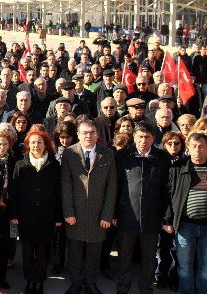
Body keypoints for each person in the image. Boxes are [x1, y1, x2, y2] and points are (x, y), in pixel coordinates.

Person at [114, 122, 170, 294]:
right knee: (124, 257)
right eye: (140, 137)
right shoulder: (122, 156)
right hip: (126, 216)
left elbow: (167, 189)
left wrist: (165, 217)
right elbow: (115, 186)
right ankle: (123, 287)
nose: (144, 140)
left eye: (147, 137)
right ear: (134, 137)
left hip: (152, 217)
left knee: (148, 258)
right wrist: (114, 213)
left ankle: (146, 288)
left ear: (153, 138)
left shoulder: (162, 158)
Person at [61, 120, 117, 294]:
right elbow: (66, 184)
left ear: (97, 134)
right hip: (75, 212)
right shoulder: (69, 153)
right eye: (84, 132)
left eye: (92, 132)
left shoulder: (107, 153)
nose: (89, 136)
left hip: (98, 212)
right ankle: (76, 282)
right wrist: (68, 211)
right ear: (78, 134)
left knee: (94, 251)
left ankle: (91, 282)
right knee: (75, 251)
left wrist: (107, 214)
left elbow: (112, 186)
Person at [165, 132, 207, 294]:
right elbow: (169, 196)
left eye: (201, 146)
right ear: (188, 148)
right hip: (185, 226)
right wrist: (168, 221)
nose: (197, 150)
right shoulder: (177, 168)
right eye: (194, 146)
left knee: (206, 268)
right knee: (184, 267)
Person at [9, 130, 62, 294]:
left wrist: (58, 216)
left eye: (39, 142)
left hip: (47, 216)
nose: (36, 145)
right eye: (32, 142)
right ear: (27, 145)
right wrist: (14, 214)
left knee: (42, 252)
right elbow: (14, 192)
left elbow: (59, 192)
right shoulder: (20, 165)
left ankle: (39, 282)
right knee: (26, 252)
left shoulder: (54, 165)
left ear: (45, 144)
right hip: (26, 216)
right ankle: (29, 280)